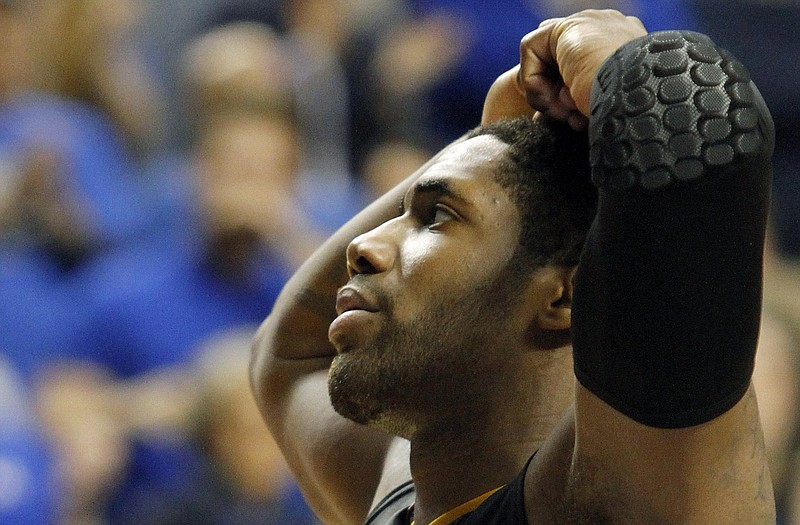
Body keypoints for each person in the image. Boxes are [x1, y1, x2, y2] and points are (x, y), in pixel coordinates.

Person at [250, 9, 776, 524]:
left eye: (436, 218)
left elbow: (698, 141)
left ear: (563, 298)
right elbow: (290, 351)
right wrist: (492, 138)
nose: (362, 245)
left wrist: (627, 62)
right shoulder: (400, 502)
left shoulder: (624, 493)